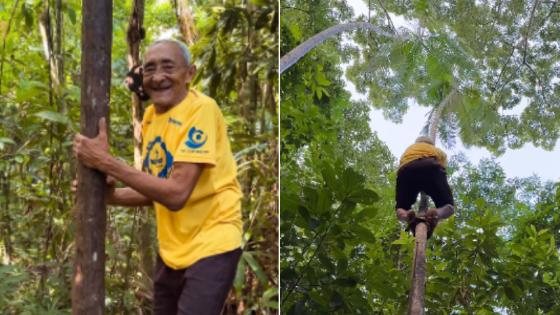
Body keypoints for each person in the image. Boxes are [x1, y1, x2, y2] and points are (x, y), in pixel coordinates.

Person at [73, 39, 242, 315]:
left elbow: (176, 194)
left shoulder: (202, 110)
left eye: (168, 67)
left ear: (190, 74)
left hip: (213, 239)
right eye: (149, 69)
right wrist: (109, 196)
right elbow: (158, 189)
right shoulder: (151, 117)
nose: (158, 77)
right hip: (172, 248)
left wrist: (106, 162)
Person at [395, 136, 455, 228]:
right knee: (449, 207)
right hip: (430, 167)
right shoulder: (435, 149)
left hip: (406, 170)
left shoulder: (409, 149)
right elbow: (442, 165)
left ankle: (406, 215)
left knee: (401, 208)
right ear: (431, 144)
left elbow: (401, 162)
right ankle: (436, 214)